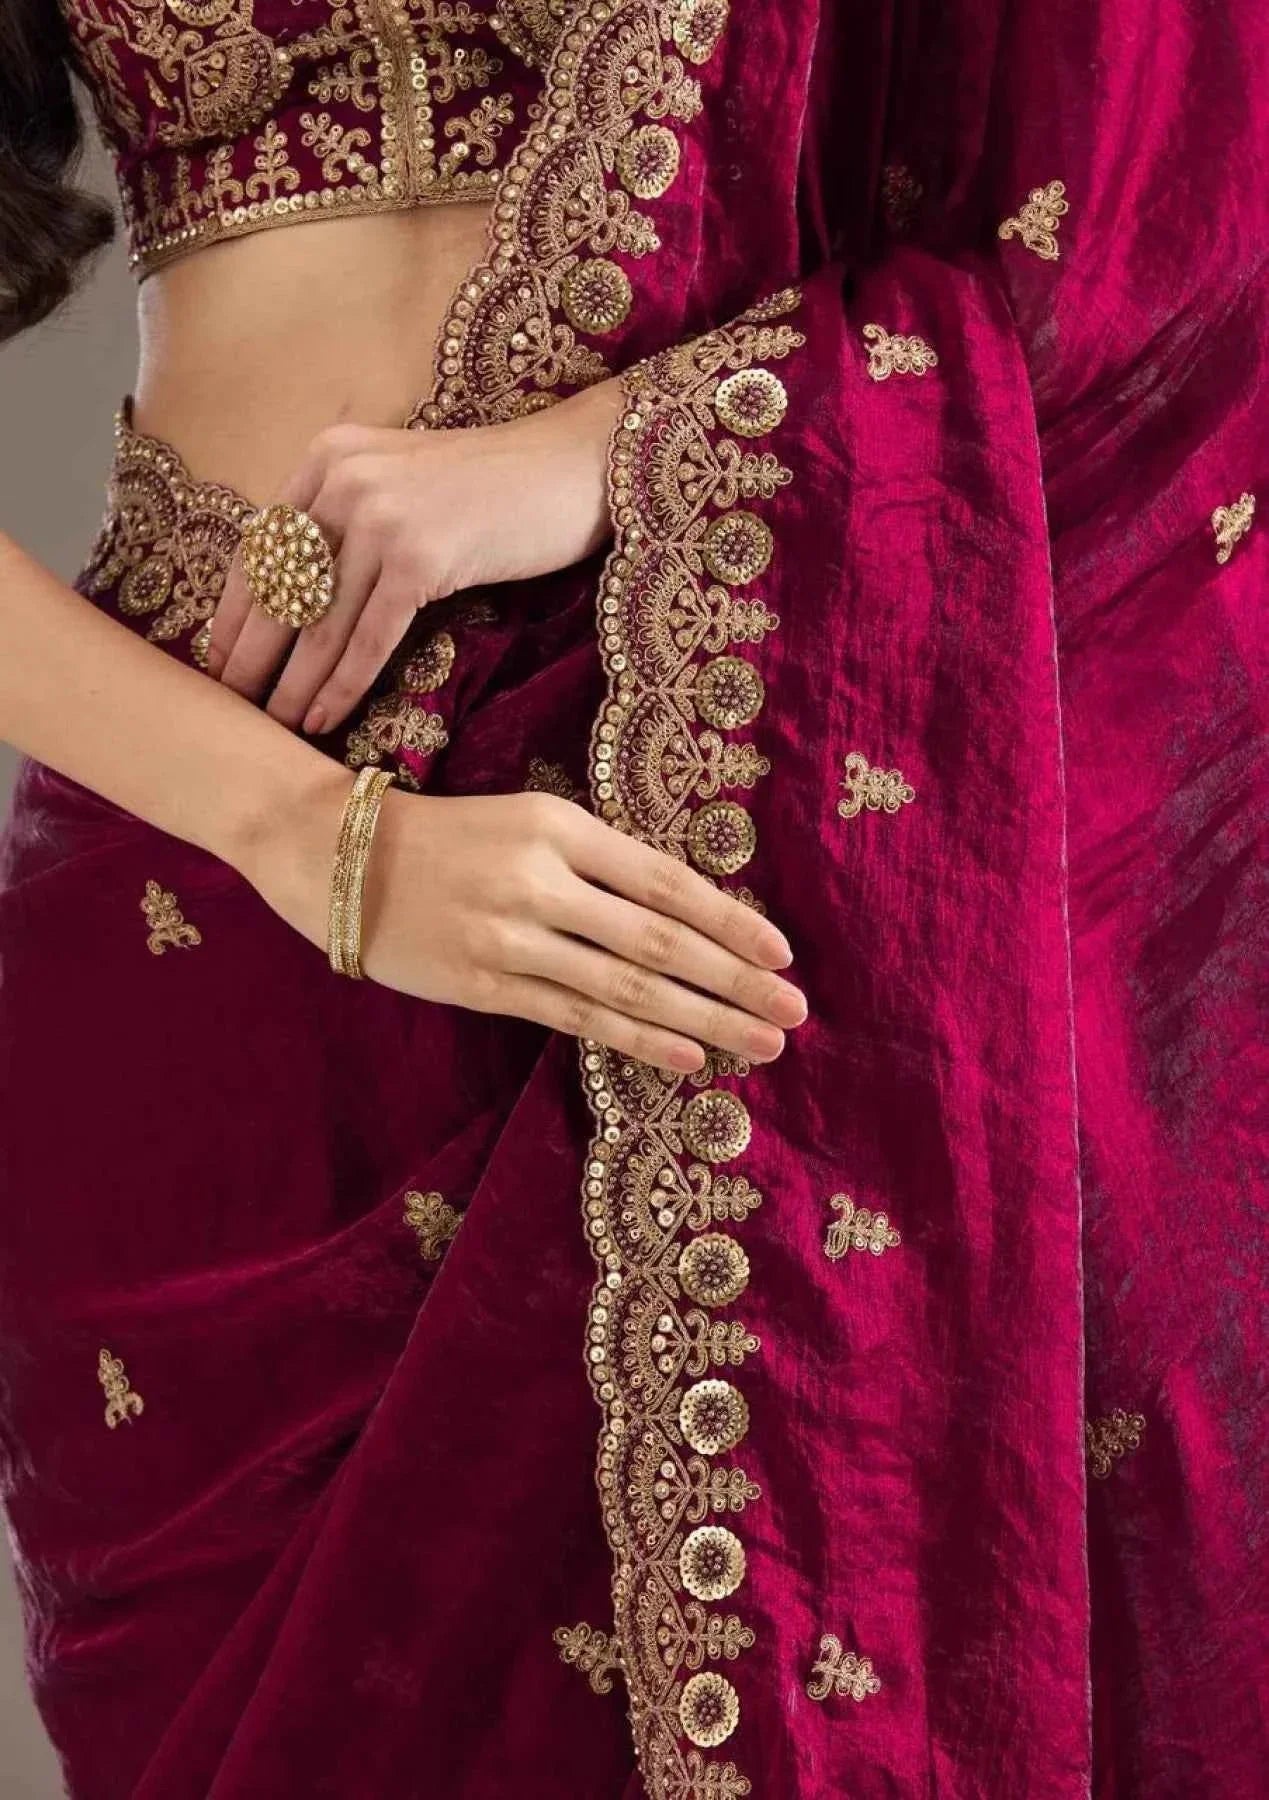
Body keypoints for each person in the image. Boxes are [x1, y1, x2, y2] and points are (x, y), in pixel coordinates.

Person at [0, 0, 1263, 1795]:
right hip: (207, 899)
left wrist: (605, 444)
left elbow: (1158, 215)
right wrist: (315, 837)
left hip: (760, 793)